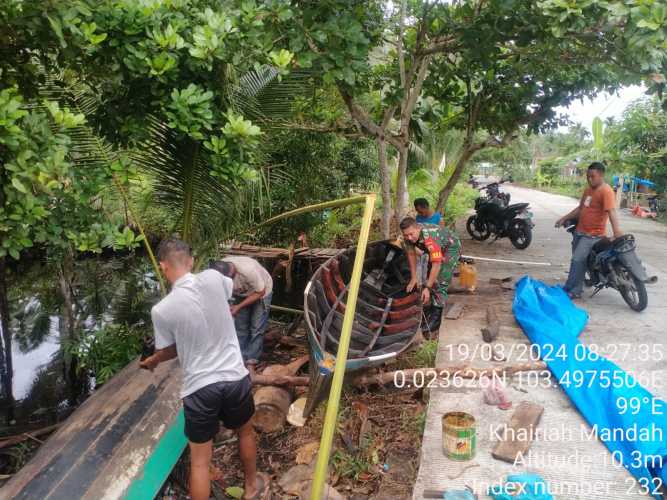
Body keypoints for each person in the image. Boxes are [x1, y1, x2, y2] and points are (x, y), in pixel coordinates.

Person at [140, 239, 269, 500]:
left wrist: (154, 360)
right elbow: (223, 299)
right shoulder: (213, 278)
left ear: (163, 267)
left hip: (199, 389)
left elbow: (172, 350)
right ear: (190, 261)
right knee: (245, 432)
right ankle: (251, 489)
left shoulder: (161, 310)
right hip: (234, 377)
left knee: (200, 461)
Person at [556, 162, 623, 299]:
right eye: (588, 176)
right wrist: (564, 218)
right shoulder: (588, 190)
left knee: (577, 260)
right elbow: (581, 209)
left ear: (601, 175)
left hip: (593, 235)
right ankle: (574, 284)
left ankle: (575, 291)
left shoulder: (606, 191)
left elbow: (611, 212)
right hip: (580, 232)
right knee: (579, 262)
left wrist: (617, 231)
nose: (590, 179)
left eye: (592, 176)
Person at [209, 256, 273, 372]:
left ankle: (251, 360)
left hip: (262, 292)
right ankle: (240, 357)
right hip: (241, 294)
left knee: (256, 328)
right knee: (240, 327)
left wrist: (238, 307)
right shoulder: (218, 268)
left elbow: (260, 292)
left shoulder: (248, 270)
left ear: (233, 272)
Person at [400, 217, 462, 326]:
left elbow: (437, 264)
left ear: (418, 229)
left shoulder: (430, 238)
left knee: (440, 280)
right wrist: (414, 278)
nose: (409, 238)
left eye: (411, 234)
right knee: (431, 276)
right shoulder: (408, 236)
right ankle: (429, 303)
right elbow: (411, 255)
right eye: (406, 235)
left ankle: (436, 319)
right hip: (436, 247)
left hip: (450, 247)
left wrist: (428, 288)